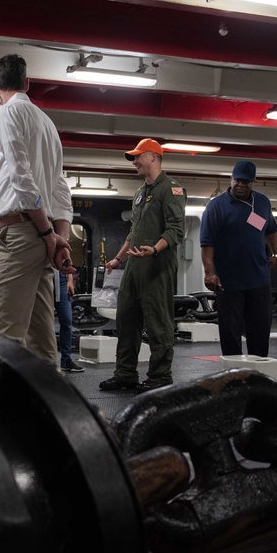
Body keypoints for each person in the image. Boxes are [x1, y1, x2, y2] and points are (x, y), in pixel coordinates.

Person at [0, 54, 73, 364]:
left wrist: (49, 233)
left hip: (24, 234)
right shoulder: (47, 122)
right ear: (27, 83)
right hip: (43, 235)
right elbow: (61, 186)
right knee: (41, 337)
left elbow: (22, 177)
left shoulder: (5, 113)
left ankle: (1, 409)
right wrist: (59, 236)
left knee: (3, 333)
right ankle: (50, 407)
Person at [99, 139, 186, 393]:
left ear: (154, 157)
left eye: (138, 157)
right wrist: (118, 259)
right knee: (126, 319)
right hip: (134, 268)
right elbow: (133, 233)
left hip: (157, 265)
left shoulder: (171, 189)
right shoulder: (139, 193)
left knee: (158, 321)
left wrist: (155, 249)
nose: (135, 162)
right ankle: (125, 373)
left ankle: (160, 376)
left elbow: (176, 230)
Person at [200, 160, 277, 357]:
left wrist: (276, 253)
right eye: (238, 180)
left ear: (253, 182)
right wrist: (209, 273)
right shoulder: (216, 206)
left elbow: (271, 229)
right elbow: (207, 243)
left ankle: (258, 375)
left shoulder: (261, 202)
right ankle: (233, 375)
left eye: (246, 182)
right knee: (230, 334)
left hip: (259, 280)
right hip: (229, 282)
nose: (241, 185)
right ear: (231, 178)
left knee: (260, 332)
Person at [55, 270, 84, 373]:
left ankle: (66, 360)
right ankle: (43, 361)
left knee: (67, 321)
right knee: (43, 322)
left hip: (61, 278)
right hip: (43, 276)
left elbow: (66, 260)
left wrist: (70, 279)